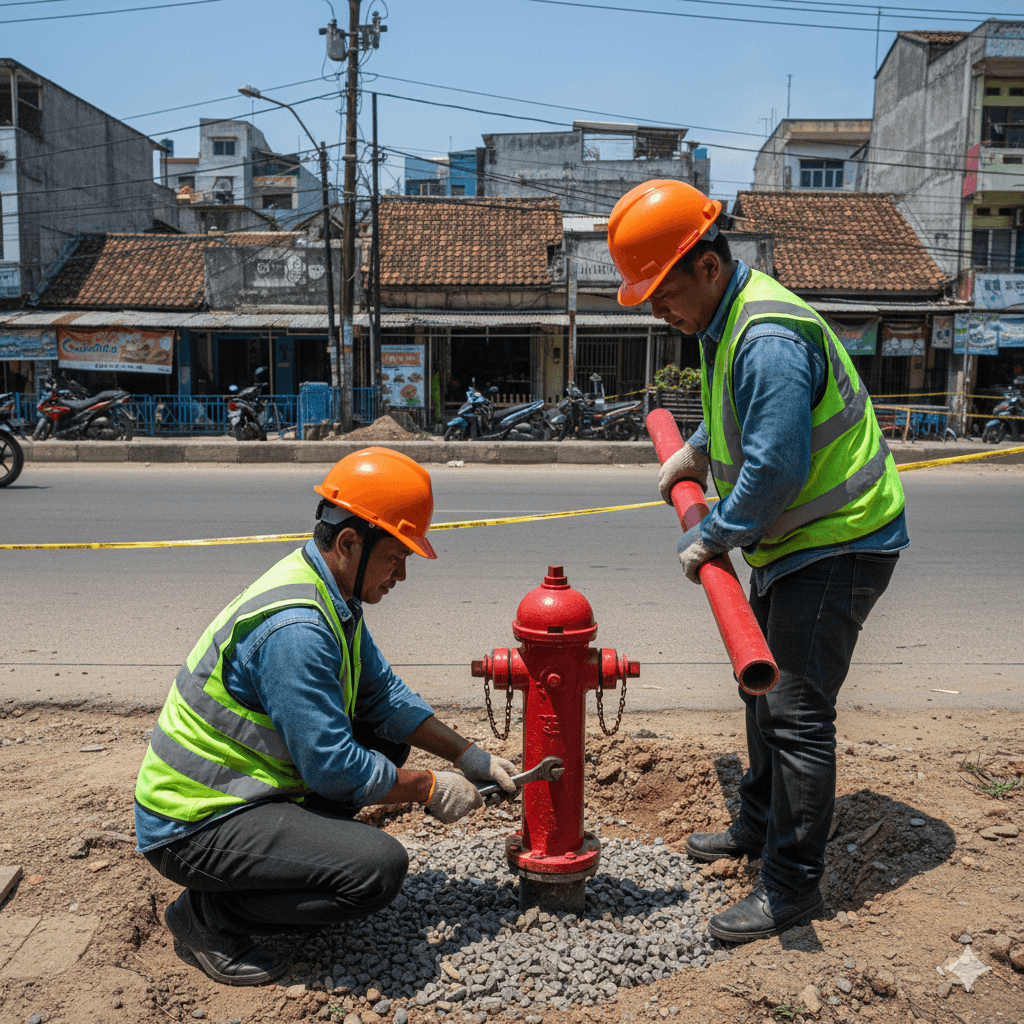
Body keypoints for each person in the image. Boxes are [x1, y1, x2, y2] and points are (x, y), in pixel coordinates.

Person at [608, 180, 908, 944]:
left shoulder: (765, 332)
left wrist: (717, 533)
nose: (655, 311)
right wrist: (694, 456)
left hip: (839, 541)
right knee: (761, 697)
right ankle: (756, 823)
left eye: (662, 291)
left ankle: (790, 889)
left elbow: (774, 465)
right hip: (795, 543)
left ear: (707, 266)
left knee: (797, 715)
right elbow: (733, 418)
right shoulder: (724, 324)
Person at [134, 447, 517, 985]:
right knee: (376, 872)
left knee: (385, 738)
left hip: (245, 792)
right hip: (192, 824)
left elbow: (383, 697)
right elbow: (332, 768)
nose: (402, 574)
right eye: (396, 556)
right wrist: (430, 788)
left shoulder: (329, 590)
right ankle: (206, 917)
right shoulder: (298, 628)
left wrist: (467, 755)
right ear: (348, 543)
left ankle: (287, 872)